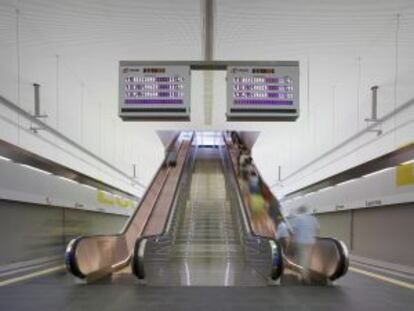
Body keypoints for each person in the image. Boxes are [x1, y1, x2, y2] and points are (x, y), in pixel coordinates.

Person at [290, 205, 319, 282]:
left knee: (301, 258)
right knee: (306, 259)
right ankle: (300, 273)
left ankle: (304, 277)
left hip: (300, 241)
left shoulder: (298, 218)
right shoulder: (313, 218)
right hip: (311, 242)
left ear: (299, 211)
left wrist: (292, 241)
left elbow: (294, 230)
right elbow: (317, 229)